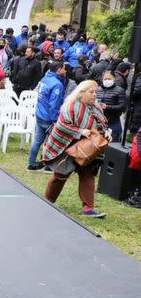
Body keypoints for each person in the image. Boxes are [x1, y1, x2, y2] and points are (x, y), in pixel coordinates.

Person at [43, 80, 111, 218]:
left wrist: (107, 132)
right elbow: (62, 126)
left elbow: (102, 124)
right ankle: (47, 202)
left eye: (95, 92)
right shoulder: (71, 106)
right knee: (61, 175)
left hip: (87, 149)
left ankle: (88, 208)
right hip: (67, 146)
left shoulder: (96, 108)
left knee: (88, 174)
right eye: (91, 92)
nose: (94, 95)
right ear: (81, 93)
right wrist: (81, 132)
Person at [28, 61, 67, 171]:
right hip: (48, 118)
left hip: (40, 114)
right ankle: (49, 166)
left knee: (37, 141)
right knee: (53, 142)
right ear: (58, 70)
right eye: (64, 68)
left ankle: (31, 164)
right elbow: (54, 105)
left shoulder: (44, 79)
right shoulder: (57, 84)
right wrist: (55, 120)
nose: (65, 71)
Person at [96, 70, 125, 142]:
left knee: (113, 143)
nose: (107, 81)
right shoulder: (97, 89)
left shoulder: (120, 90)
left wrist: (107, 107)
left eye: (109, 79)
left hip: (113, 121)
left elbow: (122, 106)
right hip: (99, 121)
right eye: (105, 79)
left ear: (114, 78)